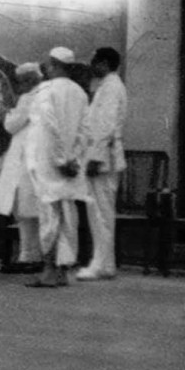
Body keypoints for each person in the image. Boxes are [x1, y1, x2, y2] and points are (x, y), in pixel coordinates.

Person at [26, 47, 90, 287]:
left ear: (52, 65)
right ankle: (63, 271)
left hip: (50, 163)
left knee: (49, 217)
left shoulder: (46, 91)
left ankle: (49, 270)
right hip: (71, 165)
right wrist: (74, 158)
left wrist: (62, 160)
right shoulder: (80, 93)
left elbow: (50, 127)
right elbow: (85, 131)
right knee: (68, 217)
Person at [76, 48, 127, 280]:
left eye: (95, 62)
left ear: (104, 63)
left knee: (100, 214)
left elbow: (105, 125)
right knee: (100, 214)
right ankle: (105, 263)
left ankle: (101, 264)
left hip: (103, 158)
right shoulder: (108, 86)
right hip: (102, 156)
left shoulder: (111, 88)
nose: (92, 66)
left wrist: (95, 157)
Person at [0, 63, 44, 274]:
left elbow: (11, 125)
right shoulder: (45, 94)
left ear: (29, 80)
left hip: (25, 160)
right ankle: (30, 255)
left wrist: (8, 111)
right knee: (29, 211)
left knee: (25, 210)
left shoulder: (28, 98)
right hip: (33, 158)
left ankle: (30, 256)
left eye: (21, 81)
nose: (19, 85)